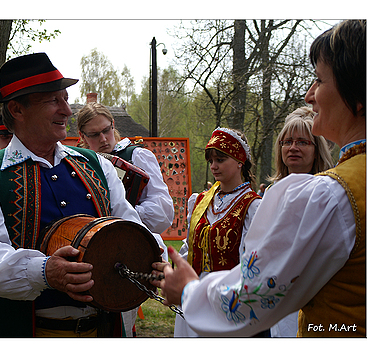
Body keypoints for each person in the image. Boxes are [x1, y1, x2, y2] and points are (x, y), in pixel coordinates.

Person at [151, 19, 366, 337]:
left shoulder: (332, 196)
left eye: (319, 81)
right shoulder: (203, 201)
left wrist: (190, 291)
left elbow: (257, 295)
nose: (309, 95)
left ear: (357, 93)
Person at [0, 52, 166, 337]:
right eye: (54, 100)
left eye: (65, 99)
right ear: (17, 109)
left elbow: (130, 228)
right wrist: (44, 272)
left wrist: (150, 255)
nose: (67, 110)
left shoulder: (98, 165)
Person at [76, 102, 173, 336]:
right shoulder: (78, 161)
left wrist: (119, 214)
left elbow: (163, 212)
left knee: (121, 323)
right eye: (94, 134)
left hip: (128, 250)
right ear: (81, 136)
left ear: (114, 126)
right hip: (90, 252)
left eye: (106, 130)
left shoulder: (137, 155)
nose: (103, 138)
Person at [174, 127, 262, 337]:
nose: (214, 166)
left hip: (228, 294)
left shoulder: (252, 206)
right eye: (211, 160)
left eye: (221, 159)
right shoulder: (200, 200)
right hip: (193, 290)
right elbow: (189, 245)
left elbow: (251, 260)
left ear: (240, 161)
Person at [267, 107, 334, 337]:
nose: (293, 147)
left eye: (302, 142)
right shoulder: (271, 193)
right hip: (275, 298)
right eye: (287, 142)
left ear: (316, 151)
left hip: (314, 298)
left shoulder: (327, 192)